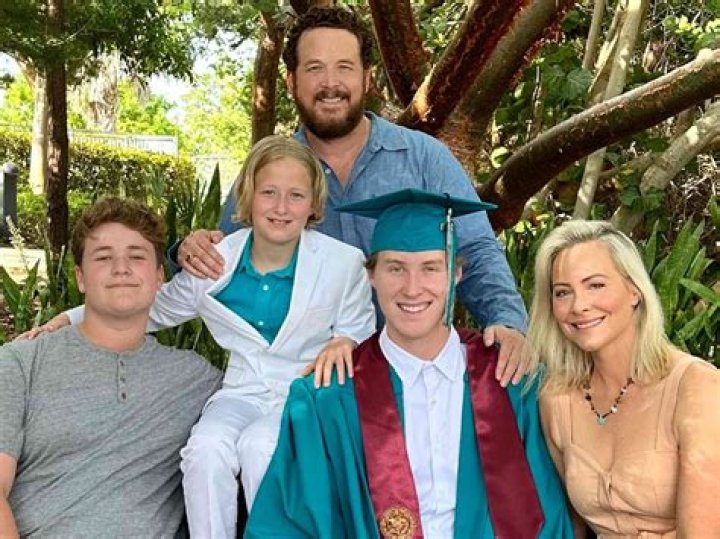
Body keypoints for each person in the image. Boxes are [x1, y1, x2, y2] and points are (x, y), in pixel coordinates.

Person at [34, 135, 376, 538]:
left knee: (261, 447)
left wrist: (346, 341)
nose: (281, 207)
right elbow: (150, 308)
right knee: (205, 450)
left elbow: (359, 329)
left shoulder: (343, 263)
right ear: (248, 197)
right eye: (269, 193)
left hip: (305, 391)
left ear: (314, 204)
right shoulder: (215, 262)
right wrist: (68, 318)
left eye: (296, 195)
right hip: (242, 390)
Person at [176, 6, 529, 387]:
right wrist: (188, 251)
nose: (330, 83)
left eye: (344, 67)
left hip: (415, 381)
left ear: (366, 78)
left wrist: (508, 322)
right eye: (314, 68)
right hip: (307, 389)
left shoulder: (424, 158)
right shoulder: (269, 173)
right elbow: (224, 261)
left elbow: (475, 249)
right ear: (291, 81)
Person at [246, 188, 573, 538]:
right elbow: (287, 525)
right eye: (395, 268)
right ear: (371, 275)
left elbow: (549, 515)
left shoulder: (510, 379)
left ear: (456, 274)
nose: (413, 288)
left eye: (430, 268)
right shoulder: (327, 398)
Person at [0, 198, 222, 537]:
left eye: (137, 256)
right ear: (80, 277)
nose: (121, 268)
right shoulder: (21, 363)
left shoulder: (197, 378)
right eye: (103, 258)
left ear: (159, 276)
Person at [527, 220, 720, 537]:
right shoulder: (557, 399)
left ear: (634, 291)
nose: (579, 306)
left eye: (595, 285)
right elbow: (573, 529)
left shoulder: (697, 388)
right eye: (563, 292)